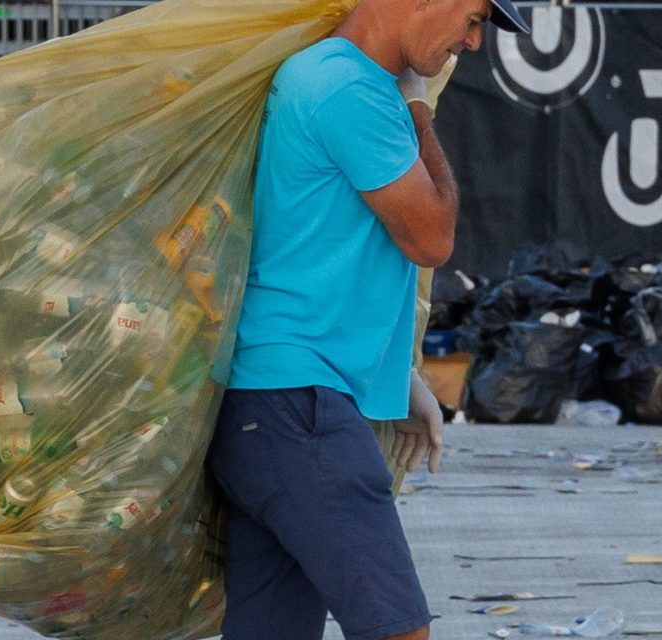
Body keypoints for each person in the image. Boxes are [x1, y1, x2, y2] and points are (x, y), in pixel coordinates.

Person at [205, 0, 530, 638]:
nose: (472, 41)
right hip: (303, 412)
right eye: (472, 18)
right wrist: (417, 106)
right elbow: (433, 237)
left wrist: (398, 375)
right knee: (398, 629)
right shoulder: (351, 88)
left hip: (260, 409)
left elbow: (329, 250)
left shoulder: (315, 74)